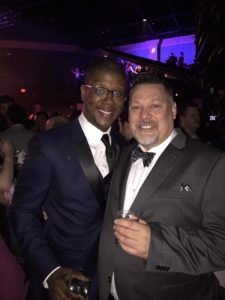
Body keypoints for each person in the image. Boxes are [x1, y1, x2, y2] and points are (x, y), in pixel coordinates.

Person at [99, 73, 225, 300]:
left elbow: (221, 246)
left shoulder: (212, 162)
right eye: (136, 107)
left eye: (155, 106)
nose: (144, 116)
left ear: (174, 110)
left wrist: (155, 245)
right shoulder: (125, 153)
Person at [10, 57, 128, 300]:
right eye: (101, 90)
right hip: (66, 277)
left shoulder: (123, 145)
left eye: (118, 93)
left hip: (113, 277)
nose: (109, 100)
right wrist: (50, 272)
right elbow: (22, 212)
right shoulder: (48, 145)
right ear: (84, 92)